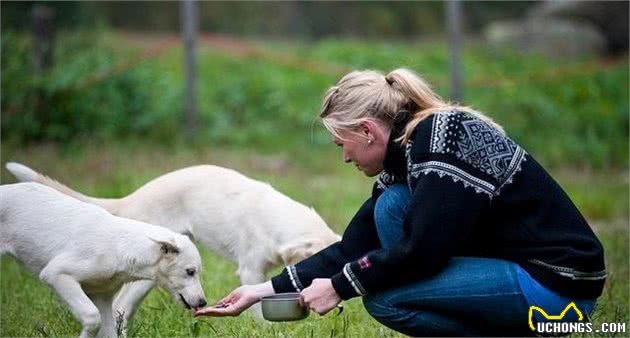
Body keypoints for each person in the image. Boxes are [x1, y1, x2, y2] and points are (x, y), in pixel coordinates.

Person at [194, 68, 606, 336]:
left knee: (388, 299)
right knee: (391, 207)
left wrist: (340, 287)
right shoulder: (406, 153)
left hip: (558, 286)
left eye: (343, 143)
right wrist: (260, 290)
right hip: (513, 267)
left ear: (368, 131)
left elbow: (424, 250)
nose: (344, 157)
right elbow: (354, 245)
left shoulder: (441, 139)